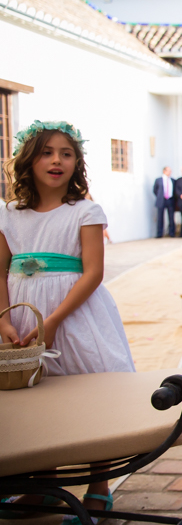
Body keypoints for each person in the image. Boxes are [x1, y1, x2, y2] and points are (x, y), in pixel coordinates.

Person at [0, 120, 134, 518]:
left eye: (67, 153)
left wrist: (56, 319)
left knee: (91, 392)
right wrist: (4, 321)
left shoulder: (85, 211)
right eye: (46, 152)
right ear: (28, 159)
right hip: (25, 316)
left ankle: (100, 484)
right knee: (38, 400)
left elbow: (93, 272)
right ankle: (44, 486)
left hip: (74, 316)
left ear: (77, 163)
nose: (57, 160)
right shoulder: (9, 215)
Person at [152, 166, 176, 238]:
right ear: (164, 171)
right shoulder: (158, 180)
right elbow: (155, 190)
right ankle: (159, 233)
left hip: (170, 200)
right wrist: (160, 197)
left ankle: (172, 233)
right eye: (169, 171)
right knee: (160, 218)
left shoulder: (172, 180)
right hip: (161, 200)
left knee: (171, 217)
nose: (170, 172)